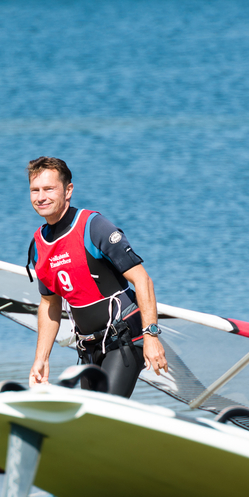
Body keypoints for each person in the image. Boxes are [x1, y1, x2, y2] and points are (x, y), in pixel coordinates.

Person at [25, 157, 167, 397]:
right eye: (35, 190)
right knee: (88, 420)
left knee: (104, 413)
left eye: (49, 189)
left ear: (68, 190)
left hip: (124, 337)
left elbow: (143, 280)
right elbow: (50, 303)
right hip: (89, 346)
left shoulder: (93, 226)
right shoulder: (39, 244)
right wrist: (41, 359)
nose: (41, 197)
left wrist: (151, 335)